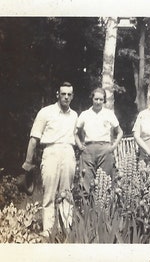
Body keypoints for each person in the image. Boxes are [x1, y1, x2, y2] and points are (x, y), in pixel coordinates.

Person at [22, 82, 78, 237]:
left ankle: (65, 229)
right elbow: (34, 139)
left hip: (68, 151)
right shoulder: (45, 112)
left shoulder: (74, 115)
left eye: (69, 94)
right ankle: (47, 230)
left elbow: (78, 138)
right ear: (57, 94)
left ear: (72, 96)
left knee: (66, 192)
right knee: (49, 193)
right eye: (63, 94)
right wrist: (28, 162)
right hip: (51, 151)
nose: (66, 97)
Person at [75, 87, 123, 192]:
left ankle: (103, 207)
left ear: (104, 100)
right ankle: (87, 207)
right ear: (92, 99)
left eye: (101, 100)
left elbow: (120, 132)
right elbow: (75, 133)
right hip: (88, 150)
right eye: (96, 99)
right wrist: (80, 145)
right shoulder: (85, 114)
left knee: (105, 181)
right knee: (86, 182)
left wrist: (113, 146)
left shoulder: (109, 114)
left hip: (105, 149)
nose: (98, 102)